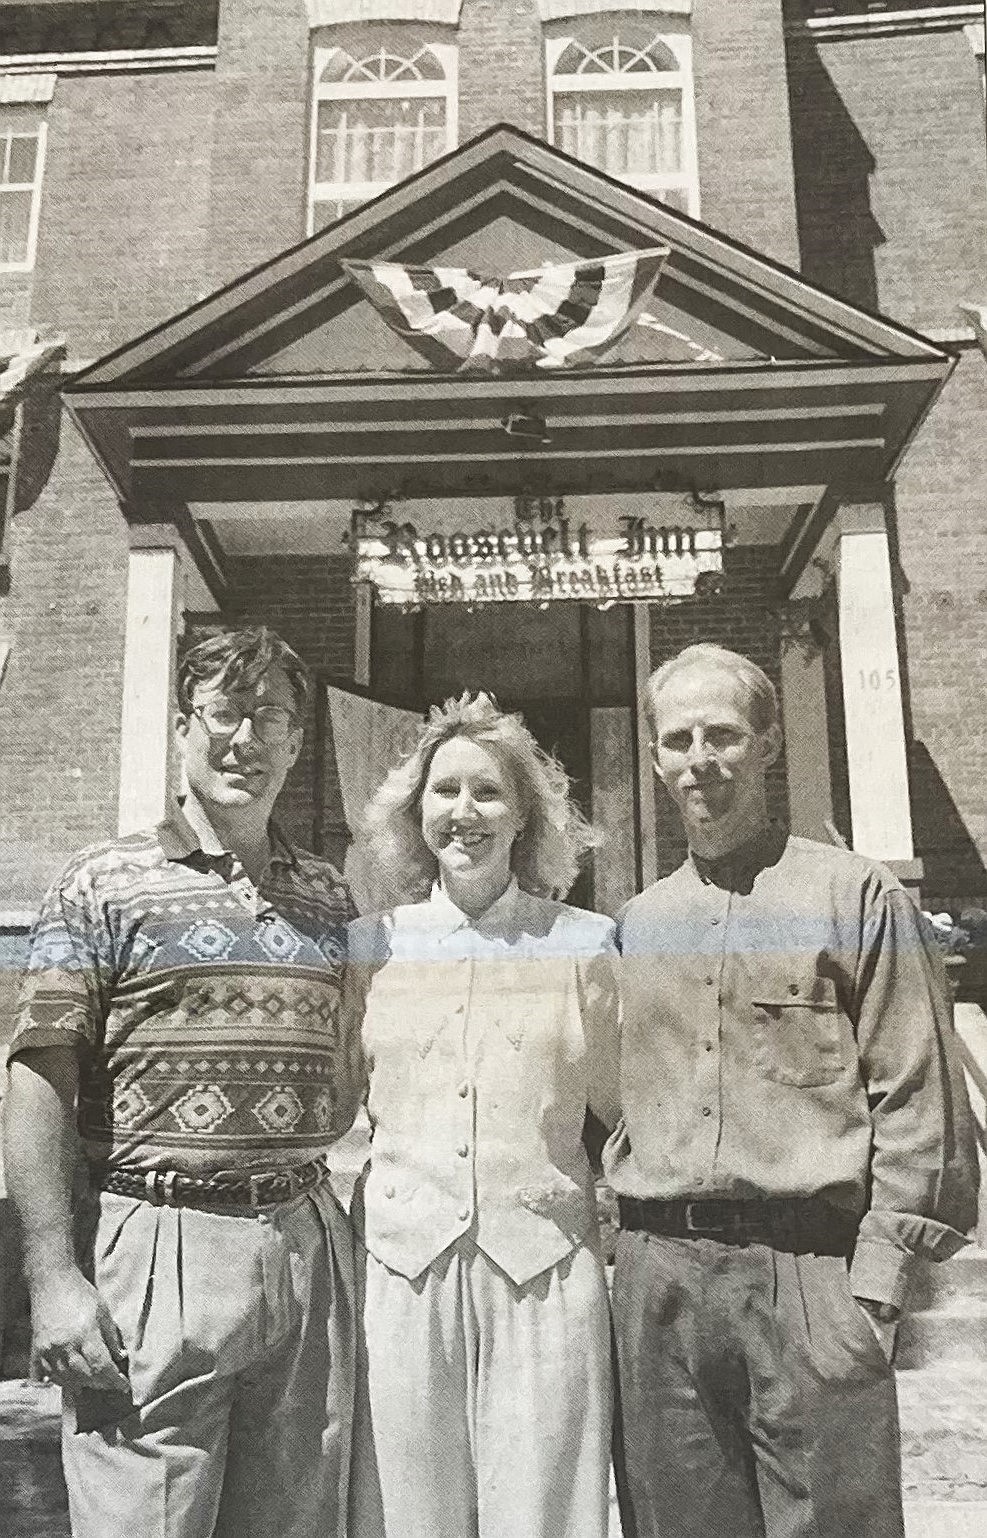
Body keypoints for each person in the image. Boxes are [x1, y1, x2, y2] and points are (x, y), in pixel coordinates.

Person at [606, 642, 979, 1538]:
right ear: (655, 758)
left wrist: (875, 1295)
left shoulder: (854, 895)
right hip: (658, 1285)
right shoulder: (637, 922)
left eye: (724, 735)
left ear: (769, 744)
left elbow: (921, 1102)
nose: (701, 760)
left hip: (808, 1277)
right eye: (678, 739)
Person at [3, 626, 363, 1538]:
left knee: (296, 1520)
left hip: (302, 1241)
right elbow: (39, 1079)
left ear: (294, 739)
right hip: (156, 1244)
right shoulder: (102, 883)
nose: (246, 739)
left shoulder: (328, 895)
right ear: (181, 727)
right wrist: (51, 1276)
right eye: (224, 713)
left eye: (270, 717)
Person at [346, 692, 619, 1538]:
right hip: (398, 1273)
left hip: (543, 1274)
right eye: (444, 791)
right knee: (405, 1517)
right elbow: (329, 1107)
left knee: (542, 1516)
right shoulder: (370, 946)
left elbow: (629, 1116)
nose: (463, 813)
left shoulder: (583, 945)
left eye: (488, 793)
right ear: (413, 809)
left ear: (526, 815)